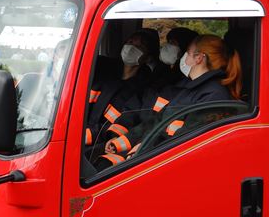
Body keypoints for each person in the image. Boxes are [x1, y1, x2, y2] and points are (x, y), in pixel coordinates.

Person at [98, 34, 242, 167]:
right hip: (154, 155)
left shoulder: (213, 96)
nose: (183, 57)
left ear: (198, 58)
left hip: (167, 164)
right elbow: (158, 120)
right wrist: (123, 142)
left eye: (187, 52)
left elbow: (186, 142)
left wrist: (142, 151)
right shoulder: (190, 89)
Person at [84, 31, 154, 157]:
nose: (132, 47)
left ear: (148, 57)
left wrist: (89, 135)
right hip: (79, 134)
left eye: (139, 46)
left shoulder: (145, 87)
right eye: (130, 42)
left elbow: (129, 120)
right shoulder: (100, 69)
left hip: (105, 143)